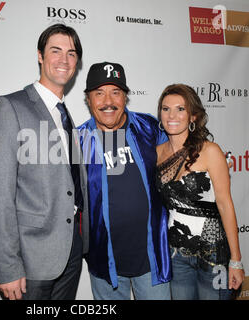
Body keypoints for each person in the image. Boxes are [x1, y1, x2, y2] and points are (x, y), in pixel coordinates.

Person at [0, 23, 89, 300]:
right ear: (40, 56)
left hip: (70, 253)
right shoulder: (10, 107)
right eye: (55, 51)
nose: (64, 60)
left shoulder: (66, 115)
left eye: (71, 53)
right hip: (31, 260)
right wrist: (7, 267)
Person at [78, 62, 171, 300]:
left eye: (115, 92)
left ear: (125, 97)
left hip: (152, 260)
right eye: (99, 93)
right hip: (104, 264)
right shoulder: (77, 141)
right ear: (88, 99)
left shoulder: (149, 127)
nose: (107, 101)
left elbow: (179, 159)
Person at [155, 83, 245, 300]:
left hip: (214, 253)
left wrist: (236, 260)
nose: (172, 115)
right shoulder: (157, 153)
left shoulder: (210, 151)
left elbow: (225, 205)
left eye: (180, 109)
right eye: (166, 109)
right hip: (176, 253)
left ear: (193, 116)